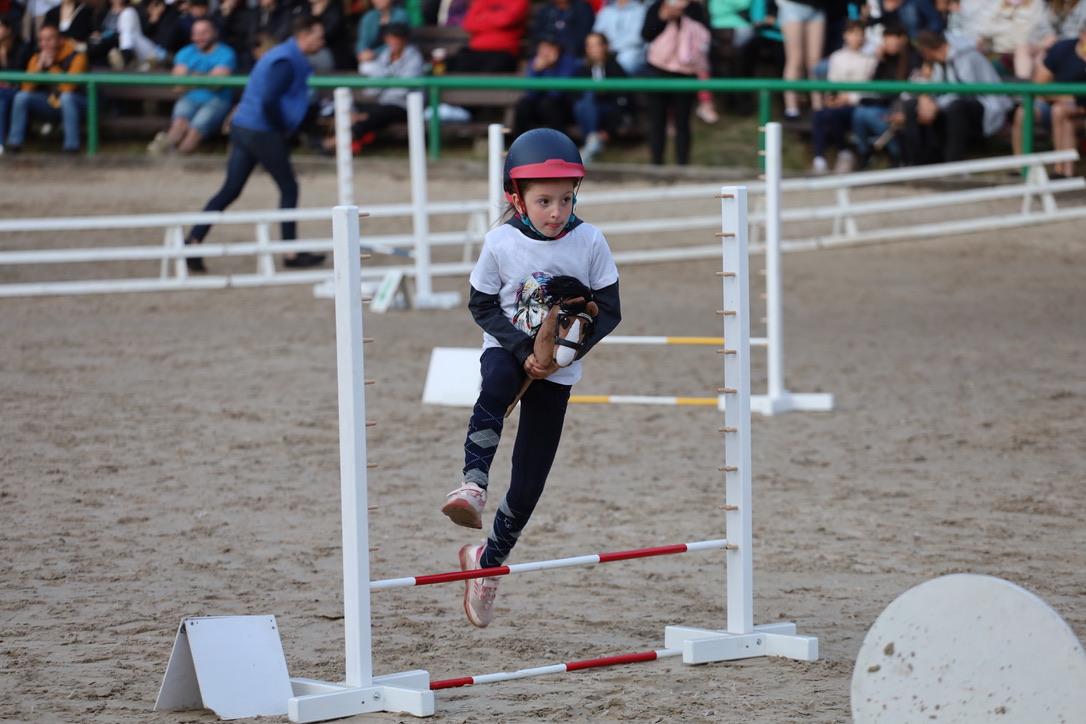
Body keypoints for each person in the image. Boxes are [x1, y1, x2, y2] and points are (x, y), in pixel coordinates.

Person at [441, 128, 621, 628]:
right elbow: (480, 302)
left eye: (566, 199)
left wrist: (564, 354)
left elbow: (610, 309)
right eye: (544, 201)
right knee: (495, 386)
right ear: (515, 197)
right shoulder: (500, 242)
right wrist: (522, 349)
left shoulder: (589, 240)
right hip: (507, 348)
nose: (557, 211)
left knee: (529, 482)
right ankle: (472, 485)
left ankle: (487, 563)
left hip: (558, 370)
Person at [183, 17, 326, 273]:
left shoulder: (281, 55)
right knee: (289, 187)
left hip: (243, 127)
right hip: (261, 130)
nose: (322, 42)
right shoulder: (286, 60)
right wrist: (281, 127)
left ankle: (193, 241)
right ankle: (290, 252)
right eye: (319, 37)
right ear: (304, 37)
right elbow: (270, 99)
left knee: (231, 190)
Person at [897, 29, 1014, 165]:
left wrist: (936, 105)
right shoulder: (940, 62)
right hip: (953, 106)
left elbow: (967, 92)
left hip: (986, 107)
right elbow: (936, 88)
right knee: (912, 106)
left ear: (926, 51)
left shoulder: (967, 57)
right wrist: (926, 99)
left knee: (957, 107)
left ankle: (953, 165)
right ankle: (919, 164)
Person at [317, 22, 422, 153]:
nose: (394, 41)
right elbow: (372, 88)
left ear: (405, 39)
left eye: (398, 37)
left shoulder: (414, 58)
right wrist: (387, 81)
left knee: (372, 115)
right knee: (353, 109)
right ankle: (337, 140)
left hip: (403, 106)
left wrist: (385, 82)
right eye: (391, 37)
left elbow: (401, 91)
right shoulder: (385, 55)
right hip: (383, 103)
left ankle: (330, 144)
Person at [147, 17, 237, 155]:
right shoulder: (185, 52)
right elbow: (178, 85)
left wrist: (190, 77)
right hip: (189, 99)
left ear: (215, 33)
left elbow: (217, 85)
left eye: (204, 33)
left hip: (217, 101)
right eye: (196, 33)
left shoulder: (227, 53)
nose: (199, 37)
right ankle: (165, 152)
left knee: (195, 130)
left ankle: (171, 157)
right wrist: (205, 78)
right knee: (179, 124)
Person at [641, 0, 710, 165]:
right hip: (658, 71)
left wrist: (684, 15)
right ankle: (656, 165)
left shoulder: (694, 8)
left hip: (686, 73)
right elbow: (646, 34)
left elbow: (704, 32)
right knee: (657, 122)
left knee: (683, 123)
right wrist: (662, 18)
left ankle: (682, 165)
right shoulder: (657, 7)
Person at [1011, 28, 1086, 178]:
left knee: (1061, 112)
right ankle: (1021, 168)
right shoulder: (1062, 50)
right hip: (1058, 105)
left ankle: (1063, 171)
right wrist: (1062, 97)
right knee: (1024, 112)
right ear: (1082, 34)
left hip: (1075, 111)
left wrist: (1078, 108)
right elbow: (1039, 86)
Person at [5, 21, 86, 154]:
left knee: (67, 98)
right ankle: (14, 143)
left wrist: (50, 67)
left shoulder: (78, 56)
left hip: (81, 103)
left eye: (50, 39)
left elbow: (69, 88)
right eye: (41, 40)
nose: (44, 43)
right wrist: (38, 68)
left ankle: (71, 147)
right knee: (21, 97)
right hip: (52, 101)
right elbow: (26, 87)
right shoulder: (38, 57)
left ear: (60, 40)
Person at [851, 22, 921, 168]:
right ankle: (865, 153)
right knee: (859, 113)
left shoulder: (915, 58)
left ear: (903, 39)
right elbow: (875, 86)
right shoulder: (887, 59)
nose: (886, 44)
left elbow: (905, 93)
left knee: (867, 115)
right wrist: (881, 62)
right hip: (885, 105)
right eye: (885, 40)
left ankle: (897, 154)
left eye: (890, 40)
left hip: (901, 107)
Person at [810, 19, 876, 173]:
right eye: (853, 34)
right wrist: (832, 99)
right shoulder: (836, 57)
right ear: (845, 35)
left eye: (860, 34)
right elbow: (833, 83)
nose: (857, 38)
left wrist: (849, 99)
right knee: (820, 115)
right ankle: (820, 158)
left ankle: (844, 152)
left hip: (858, 105)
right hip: (839, 104)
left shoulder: (871, 60)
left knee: (831, 115)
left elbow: (868, 89)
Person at [510, 35, 579, 141]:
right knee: (523, 105)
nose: (545, 52)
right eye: (543, 48)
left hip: (563, 107)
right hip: (539, 106)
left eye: (550, 48)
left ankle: (563, 142)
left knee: (547, 104)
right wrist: (536, 70)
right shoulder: (535, 62)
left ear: (557, 49)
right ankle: (518, 143)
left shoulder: (568, 61)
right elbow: (530, 93)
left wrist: (550, 68)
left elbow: (557, 92)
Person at [574, 30, 630, 162]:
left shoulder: (615, 68)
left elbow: (622, 99)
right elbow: (575, 95)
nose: (592, 49)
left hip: (608, 112)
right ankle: (592, 143)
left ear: (606, 47)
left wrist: (609, 130)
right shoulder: (583, 70)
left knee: (586, 98)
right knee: (584, 100)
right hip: (587, 111)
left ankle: (591, 145)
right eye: (589, 45)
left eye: (596, 45)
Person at [446, 0, 530, 74]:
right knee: (449, 66)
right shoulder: (482, 1)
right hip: (475, 52)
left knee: (491, 74)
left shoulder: (519, 1)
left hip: (503, 53)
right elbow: (469, 24)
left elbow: (506, 20)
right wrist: (496, 19)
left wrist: (482, 16)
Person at [776, 0, 826, 118]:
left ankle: (818, 108)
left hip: (817, 7)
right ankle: (791, 110)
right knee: (795, 59)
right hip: (792, 6)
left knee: (815, 61)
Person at [592, 0, 648, 75]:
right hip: (606, 51)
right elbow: (597, 33)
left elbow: (636, 38)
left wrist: (610, 46)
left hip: (630, 53)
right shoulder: (607, 10)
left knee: (625, 61)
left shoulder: (641, 10)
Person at [355, 0, 409, 74]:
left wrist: (374, 53)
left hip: (393, 59)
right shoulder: (368, 17)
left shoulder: (401, 15)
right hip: (371, 60)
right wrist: (362, 53)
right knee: (366, 67)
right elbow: (362, 41)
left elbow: (396, 42)